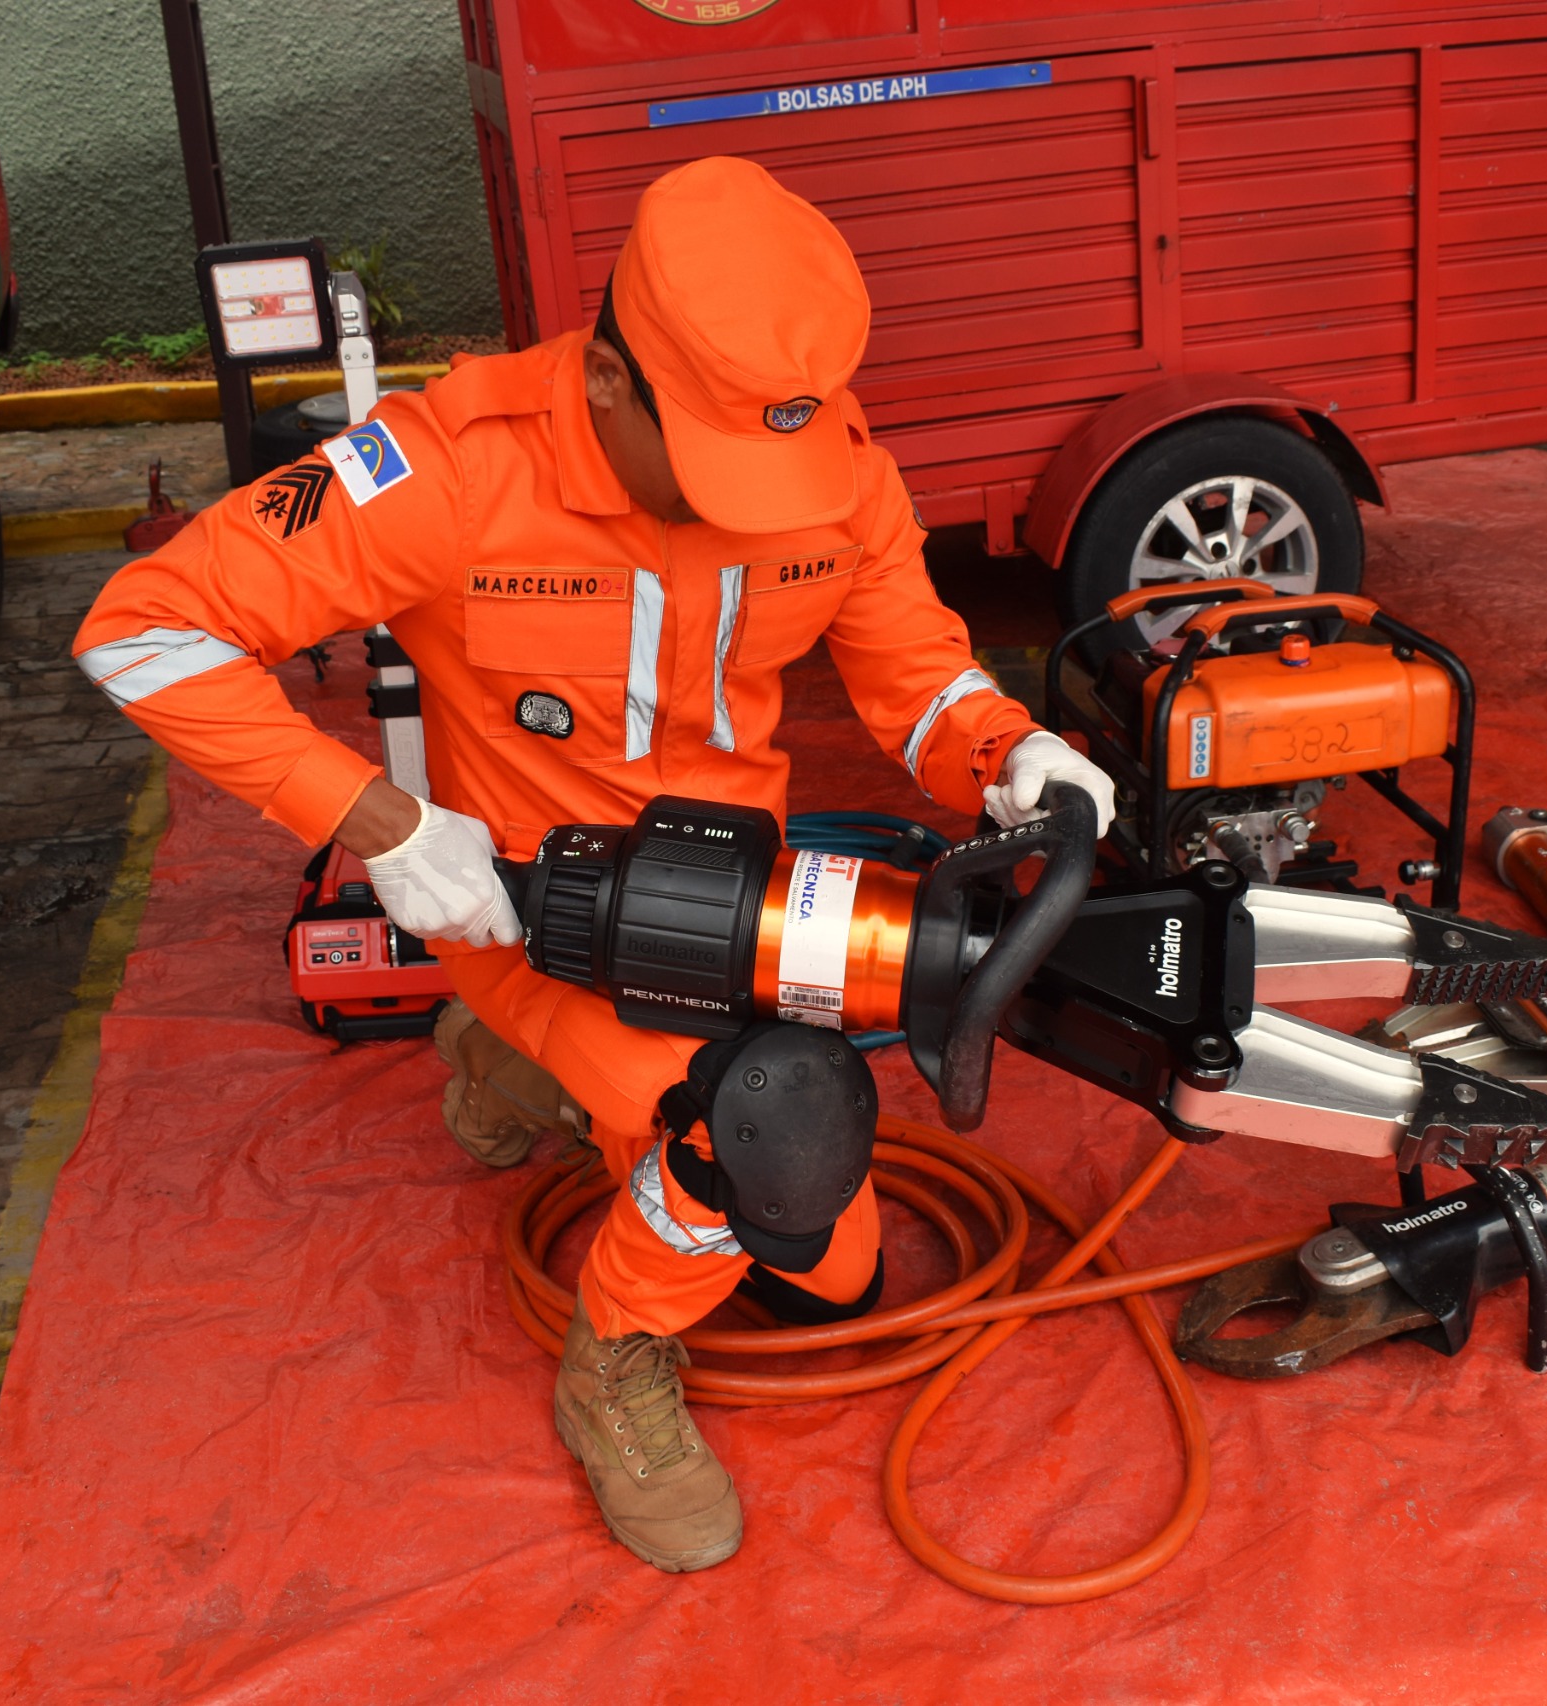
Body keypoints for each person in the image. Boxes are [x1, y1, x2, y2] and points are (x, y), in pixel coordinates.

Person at [73, 156, 1116, 1574]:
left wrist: (1010, 751)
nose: (751, 507)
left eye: (772, 470)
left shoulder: (827, 463)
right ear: (612, 383)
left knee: (831, 1276)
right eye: (715, 468)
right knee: (774, 1114)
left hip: (736, 912)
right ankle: (613, 1353)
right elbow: (144, 626)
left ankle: (525, 1075)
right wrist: (381, 822)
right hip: (518, 911)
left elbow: (916, 676)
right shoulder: (445, 466)